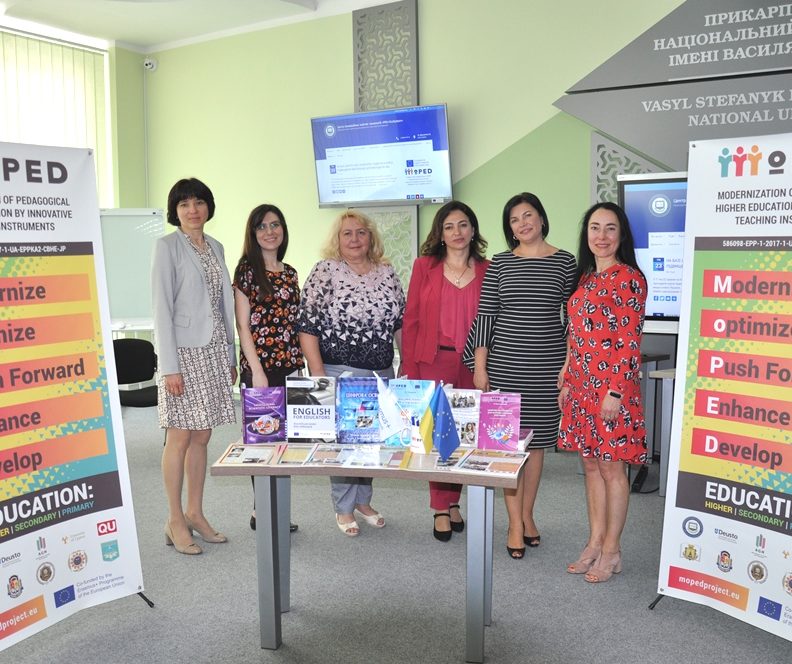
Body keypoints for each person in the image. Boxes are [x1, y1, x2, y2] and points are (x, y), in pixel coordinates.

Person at [466, 192, 576, 559]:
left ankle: (528, 515)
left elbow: (572, 319)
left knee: (537, 444)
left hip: (546, 367)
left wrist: (568, 365)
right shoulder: (500, 263)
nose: (522, 223)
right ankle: (514, 523)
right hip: (505, 366)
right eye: (514, 220)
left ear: (541, 218)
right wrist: (480, 366)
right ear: (510, 229)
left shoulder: (565, 261)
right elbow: (486, 315)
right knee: (507, 446)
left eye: (528, 215)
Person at [297, 210, 405, 537]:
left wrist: (406, 364)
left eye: (361, 232)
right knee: (345, 442)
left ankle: (362, 501)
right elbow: (307, 326)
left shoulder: (386, 272)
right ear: (337, 239)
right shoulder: (325, 271)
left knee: (371, 442)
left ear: (371, 237)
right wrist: (319, 375)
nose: (355, 239)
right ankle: (344, 507)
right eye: (347, 233)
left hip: (381, 371)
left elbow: (400, 323)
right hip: (340, 371)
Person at [558, 201, 647, 583]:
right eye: (595, 227)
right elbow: (576, 334)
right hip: (581, 387)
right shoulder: (585, 279)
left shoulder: (630, 279)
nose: (602, 236)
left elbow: (629, 341)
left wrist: (616, 392)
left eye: (610, 228)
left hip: (612, 389)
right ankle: (594, 542)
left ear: (621, 234)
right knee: (591, 465)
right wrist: (566, 377)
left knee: (613, 468)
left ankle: (612, 550)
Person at [152, 178, 236, 555]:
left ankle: (195, 513)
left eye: (199, 202)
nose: (192, 210)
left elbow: (221, 308)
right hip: (183, 355)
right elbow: (161, 309)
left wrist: (229, 357)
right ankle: (174, 519)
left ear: (208, 207)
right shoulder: (166, 247)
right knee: (180, 437)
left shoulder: (216, 246)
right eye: (184, 204)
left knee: (202, 435)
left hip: (213, 351)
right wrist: (169, 366)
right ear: (176, 210)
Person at [400, 201, 489, 542]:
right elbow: (411, 319)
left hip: (474, 364)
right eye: (449, 226)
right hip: (433, 360)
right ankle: (440, 505)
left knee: (465, 432)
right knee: (438, 434)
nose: (457, 232)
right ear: (440, 233)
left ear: (473, 230)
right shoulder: (424, 267)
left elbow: (491, 320)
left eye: (463, 224)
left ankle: (453, 500)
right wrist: (409, 366)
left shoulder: (488, 269)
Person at [233, 204, 304, 532]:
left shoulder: (290, 273)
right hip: (260, 369)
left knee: (284, 443)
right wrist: (257, 372)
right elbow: (243, 327)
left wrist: (300, 367)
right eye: (261, 226)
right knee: (262, 441)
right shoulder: (247, 271)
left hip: (289, 366)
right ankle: (261, 510)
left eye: (275, 225)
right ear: (253, 233)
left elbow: (294, 324)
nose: (269, 231)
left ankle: (277, 509)